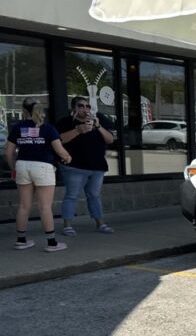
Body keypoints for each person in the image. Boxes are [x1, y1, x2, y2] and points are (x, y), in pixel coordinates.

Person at [5, 98, 74, 252]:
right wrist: (67, 157)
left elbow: (8, 152)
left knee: (24, 206)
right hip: (43, 166)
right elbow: (59, 149)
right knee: (44, 207)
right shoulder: (48, 128)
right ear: (41, 110)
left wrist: (13, 167)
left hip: (22, 165)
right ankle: (51, 243)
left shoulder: (18, 128)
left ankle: (21, 240)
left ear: (24, 110)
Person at [56, 95, 115, 235]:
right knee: (72, 195)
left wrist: (98, 126)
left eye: (87, 106)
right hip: (74, 166)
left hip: (97, 166)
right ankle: (67, 225)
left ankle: (100, 224)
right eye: (80, 106)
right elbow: (58, 140)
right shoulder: (66, 122)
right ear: (74, 108)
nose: (84, 109)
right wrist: (78, 130)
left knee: (95, 195)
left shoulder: (97, 120)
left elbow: (110, 139)